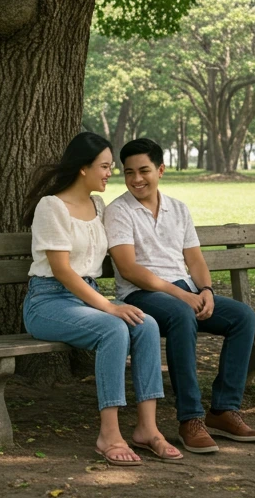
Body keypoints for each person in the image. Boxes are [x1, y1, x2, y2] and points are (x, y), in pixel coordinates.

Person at [21, 132, 182, 465]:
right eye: (105, 166)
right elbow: (63, 271)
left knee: (146, 324)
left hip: (86, 299)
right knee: (114, 329)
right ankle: (108, 434)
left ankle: (147, 429)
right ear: (83, 169)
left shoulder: (98, 205)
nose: (111, 173)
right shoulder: (52, 206)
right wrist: (109, 306)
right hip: (48, 302)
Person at [104, 137, 255, 454]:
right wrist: (182, 295)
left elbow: (195, 260)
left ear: (161, 169)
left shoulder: (178, 209)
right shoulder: (119, 211)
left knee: (242, 317)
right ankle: (190, 419)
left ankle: (223, 410)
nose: (136, 179)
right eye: (128, 172)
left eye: (144, 170)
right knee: (180, 314)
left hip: (184, 292)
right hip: (141, 295)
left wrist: (204, 291)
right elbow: (128, 269)